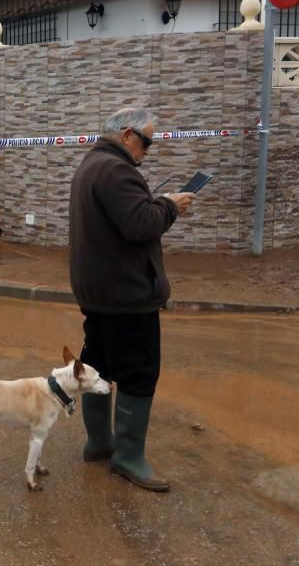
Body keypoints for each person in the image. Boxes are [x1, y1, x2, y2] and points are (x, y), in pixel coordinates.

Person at [68, 108, 195, 492]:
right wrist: (171, 205)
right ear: (127, 134)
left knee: (99, 366)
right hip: (126, 296)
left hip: (100, 293)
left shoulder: (92, 164)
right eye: (147, 141)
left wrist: (154, 202)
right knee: (138, 374)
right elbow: (140, 225)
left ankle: (99, 443)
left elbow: (125, 217)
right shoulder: (117, 170)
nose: (148, 150)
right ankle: (127, 457)